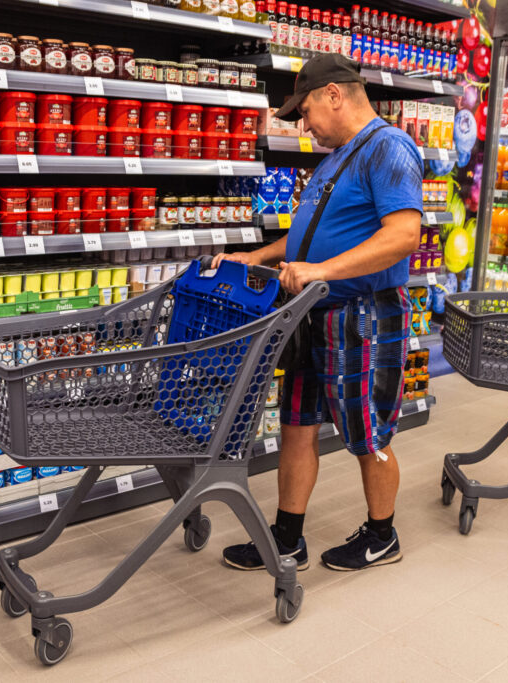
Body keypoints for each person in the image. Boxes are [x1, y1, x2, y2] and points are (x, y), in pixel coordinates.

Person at [214, 53, 423, 571]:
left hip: (363, 314)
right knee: (297, 424)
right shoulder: (336, 158)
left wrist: (322, 270)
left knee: (368, 433)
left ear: (334, 95)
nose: (304, 126)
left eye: (305, 112)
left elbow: (404, 235)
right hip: (312, 313)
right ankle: (287, 538)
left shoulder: (388, 146)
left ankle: (382, 536)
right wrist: (259, 257)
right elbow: (307, 235)